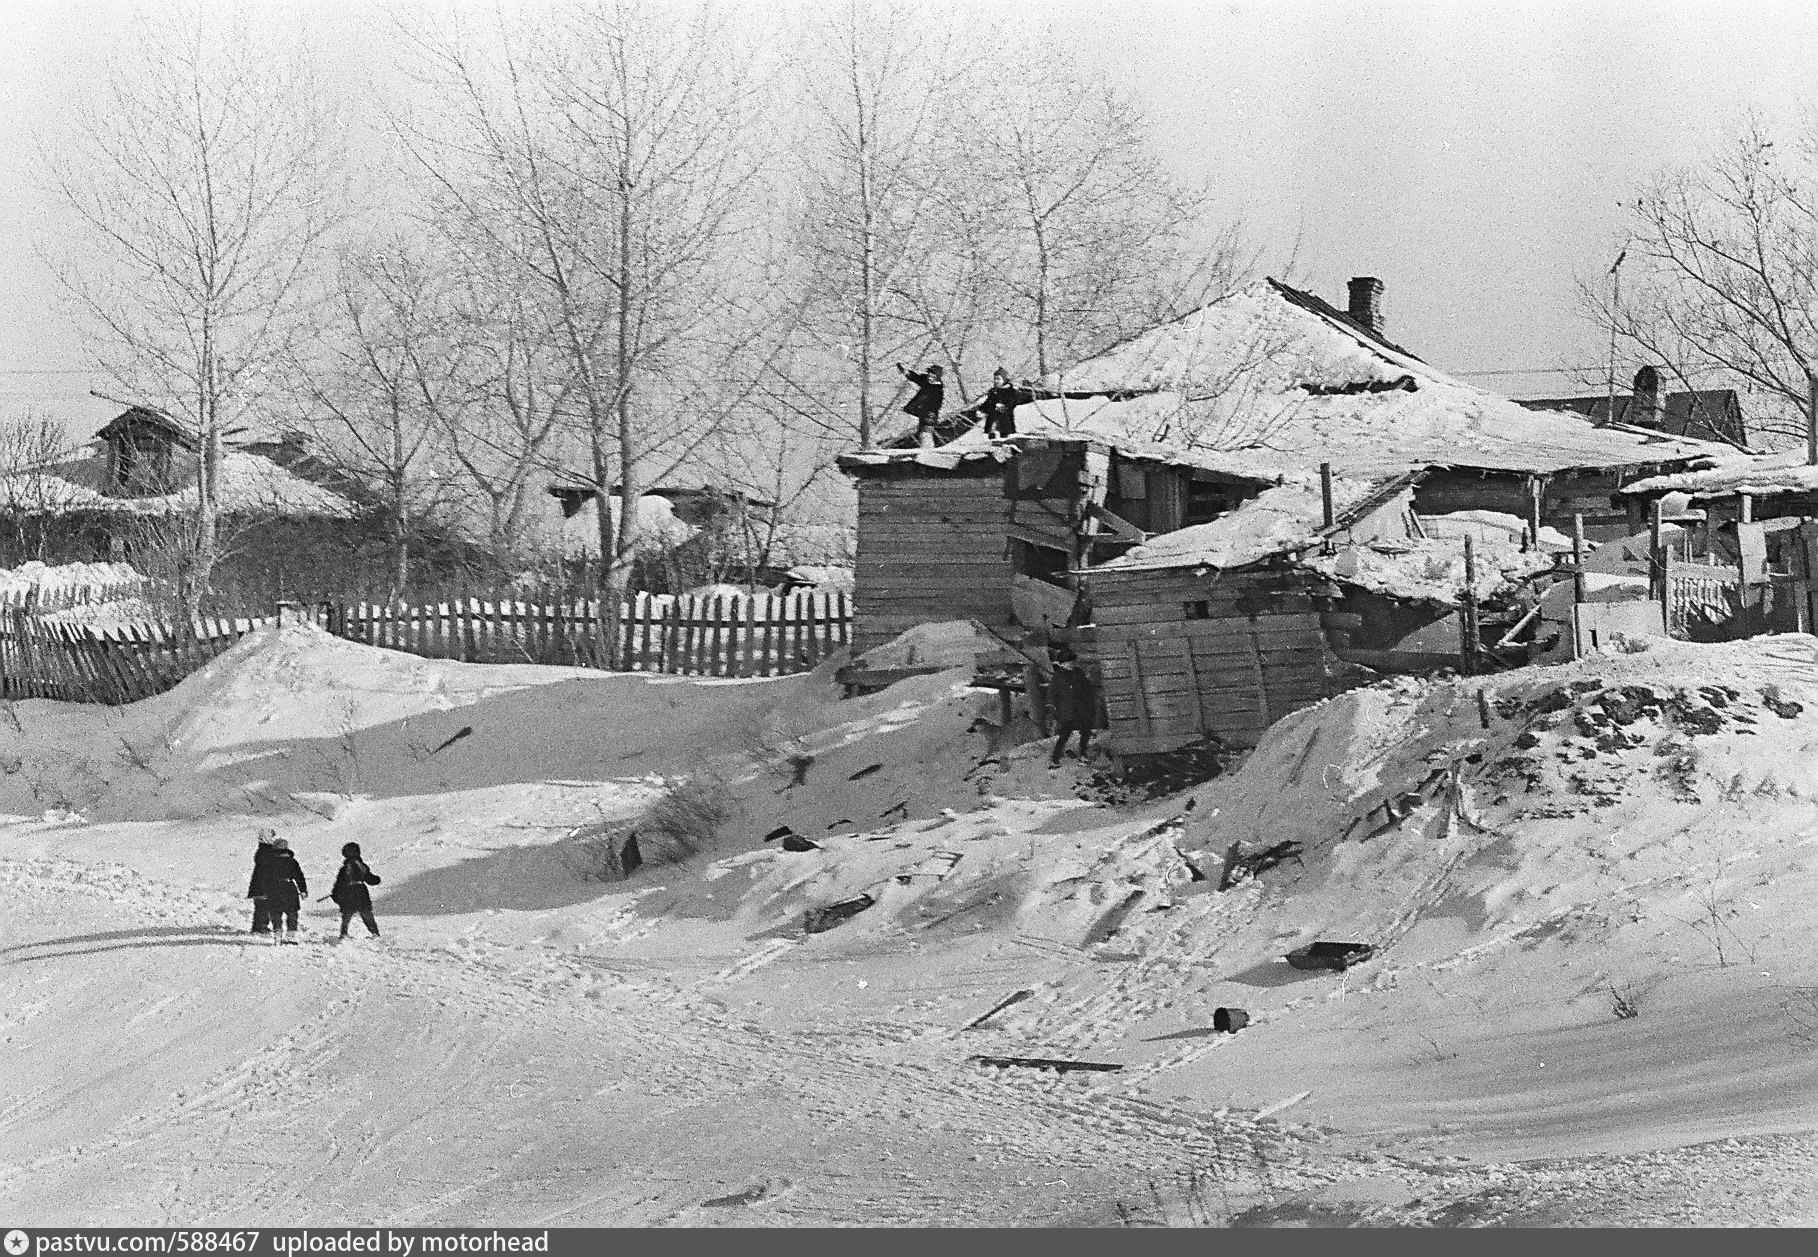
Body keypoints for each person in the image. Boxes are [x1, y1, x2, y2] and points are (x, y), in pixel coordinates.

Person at [1048, 647, 1099, 766]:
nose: (1070, 664)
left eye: (1071, 661)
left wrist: (1089, 704)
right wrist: (1054, 711)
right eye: (1067, 662)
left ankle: (1082, 752)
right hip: (1066, 711)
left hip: (1081, 709)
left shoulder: (1079, 674)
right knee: (1065, 734)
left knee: (1086, 730)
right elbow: (1052, 695)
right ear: (1062, 664)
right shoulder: (1058, 678)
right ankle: (1056, 756)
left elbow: (1088, 689)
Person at [255, 837, 309, 944]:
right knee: (292, 914)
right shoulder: (292, 861)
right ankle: (291, 936)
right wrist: (303, 890)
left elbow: (264, 878)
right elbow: (299, 876)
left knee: (275, 914)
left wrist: (262, 892)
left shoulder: (269, 862)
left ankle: (277, 936)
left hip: (273, 889)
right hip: (289, 888)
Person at [331, 841, 383, 940]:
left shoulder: (346, 868)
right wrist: (376, 879)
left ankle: (344, 933)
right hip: (360, 891)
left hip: (350, 892)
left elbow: (339, 883)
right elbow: (369, 878)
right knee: (364, 913)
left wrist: (336, 894)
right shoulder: (361, 866)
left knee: (348, 913)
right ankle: (375, 933)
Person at [896, 362, 945, 448]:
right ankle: (925, 449)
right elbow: (915, 378)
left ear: (937, 377)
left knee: (925, 433)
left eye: (932, 377)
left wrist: (922, 411)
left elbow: (935, 406)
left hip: (929, 415)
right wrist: (904, 371)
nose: (930, 378)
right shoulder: (926, 383)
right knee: (920, 433)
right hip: (921, 413)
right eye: (929, 375)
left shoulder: (937, 391)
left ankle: (928, 450)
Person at [246, 829, 278, 934]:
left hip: (260, 884)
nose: (273, 839)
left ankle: (258, 926)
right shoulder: (267, 851)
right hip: (263, 885)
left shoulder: (263, 851)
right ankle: (260, 927)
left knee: (261, 906)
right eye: (271, 837)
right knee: (263, 907)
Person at [981, 367, 1021, 439]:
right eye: (995, 379)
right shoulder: (993, 392)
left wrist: (999, 407)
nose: (996, 381)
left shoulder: (1010, 391)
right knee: (992, 442)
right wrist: (981, 410)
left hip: (1005, 424)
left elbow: (1011, 404)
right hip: (992, 424)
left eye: (998, 379)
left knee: (1005, 440)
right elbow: (987, 404)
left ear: (1004, 380)